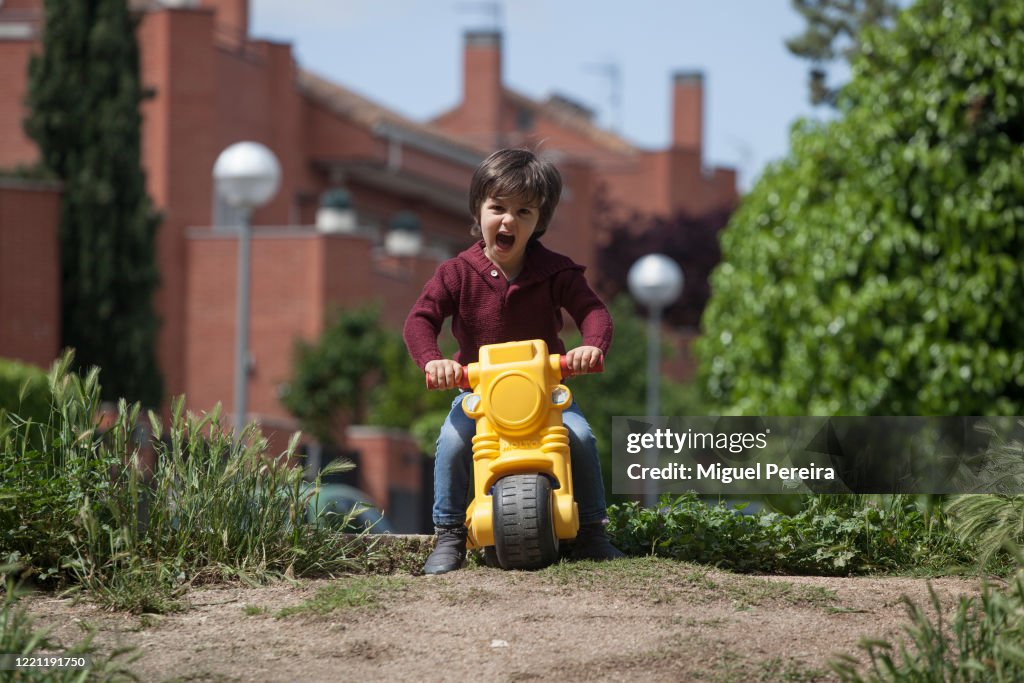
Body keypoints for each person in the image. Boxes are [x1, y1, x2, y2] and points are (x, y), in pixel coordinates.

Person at [403, 148, 624, 575]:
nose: (508, 221)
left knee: (580, 435)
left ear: (539, 221)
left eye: (523, 211)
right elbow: (420, 320)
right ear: (478, 210)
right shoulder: (456, 273)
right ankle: (448, 534)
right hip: (480, 394)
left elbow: (594, 312)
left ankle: (593, 531)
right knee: (451, 442)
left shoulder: (555, 272)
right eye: (497, 208)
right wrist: (433, 362)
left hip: (545, 394)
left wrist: (591, 345)